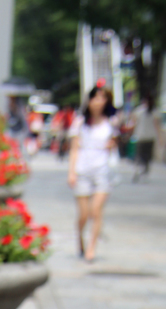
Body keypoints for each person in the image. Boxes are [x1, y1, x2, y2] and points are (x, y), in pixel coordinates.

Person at [67, 86, 117, 262]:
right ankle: (80, 238)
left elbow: (114, 146)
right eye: (95, 98)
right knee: (84, 214)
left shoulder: (110, 123)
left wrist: (112, 146)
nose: (98, 102)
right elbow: (74, 149)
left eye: (102, 98)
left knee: (96, 211)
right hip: (82, 171)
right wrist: (71, 172)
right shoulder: (80, 123)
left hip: (102, 171)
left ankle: (91, 248)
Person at [131, 95, 159, 181]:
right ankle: (144, 172)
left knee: (139, 155)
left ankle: (137, 170)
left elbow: (134, 123)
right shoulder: (154, 112)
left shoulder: (139, 111)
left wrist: (131, 133)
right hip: (150, 137)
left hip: (140, 136)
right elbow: (157, 126)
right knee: (147, 157)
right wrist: (160, 138)